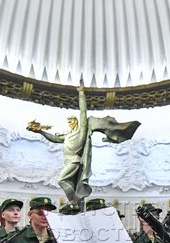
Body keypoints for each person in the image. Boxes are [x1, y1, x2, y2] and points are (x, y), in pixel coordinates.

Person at [27, 78, 140, 206]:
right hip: (67, 161)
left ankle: (74, 201)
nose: (69, 122)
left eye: (71, 120)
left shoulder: (81, 132)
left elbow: (83, 112)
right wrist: (40, 132)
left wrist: (81, 94)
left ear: (76, 121)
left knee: (62, 180)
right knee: (70, 183)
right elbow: (53, 138)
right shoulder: (67, 135)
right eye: (68, 121)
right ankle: (74, 202)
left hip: (75, 161)